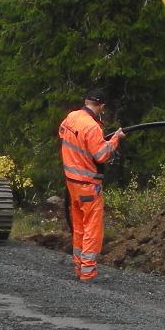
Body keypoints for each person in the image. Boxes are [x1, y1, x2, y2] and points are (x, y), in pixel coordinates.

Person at [58, 89, 125, 282]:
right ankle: (87, 272)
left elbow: (64, 135)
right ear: (101, 106)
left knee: (79, 226)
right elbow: (101, 155)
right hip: (88, 185)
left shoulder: (71, 117)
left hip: (72, 183)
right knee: (91, 229)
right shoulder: (93, 127)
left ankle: (79, 267)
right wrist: (116, 139)